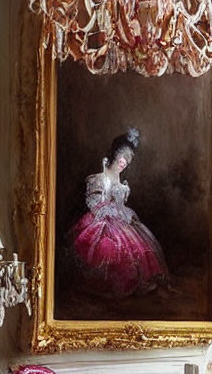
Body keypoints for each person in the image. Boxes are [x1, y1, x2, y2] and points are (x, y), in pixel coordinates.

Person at [68, 128, 169, 298]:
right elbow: (93, 202)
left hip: (119, 220)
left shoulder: (123, 184)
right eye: (123, 157)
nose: (125, 162)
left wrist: (121, 212)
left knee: (139, 246)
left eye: (129, 160)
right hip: (102, 220)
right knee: (109, 250)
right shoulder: (99, 178)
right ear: (115, 154)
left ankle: (147, 283)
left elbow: (120, 205)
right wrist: (107, 211)